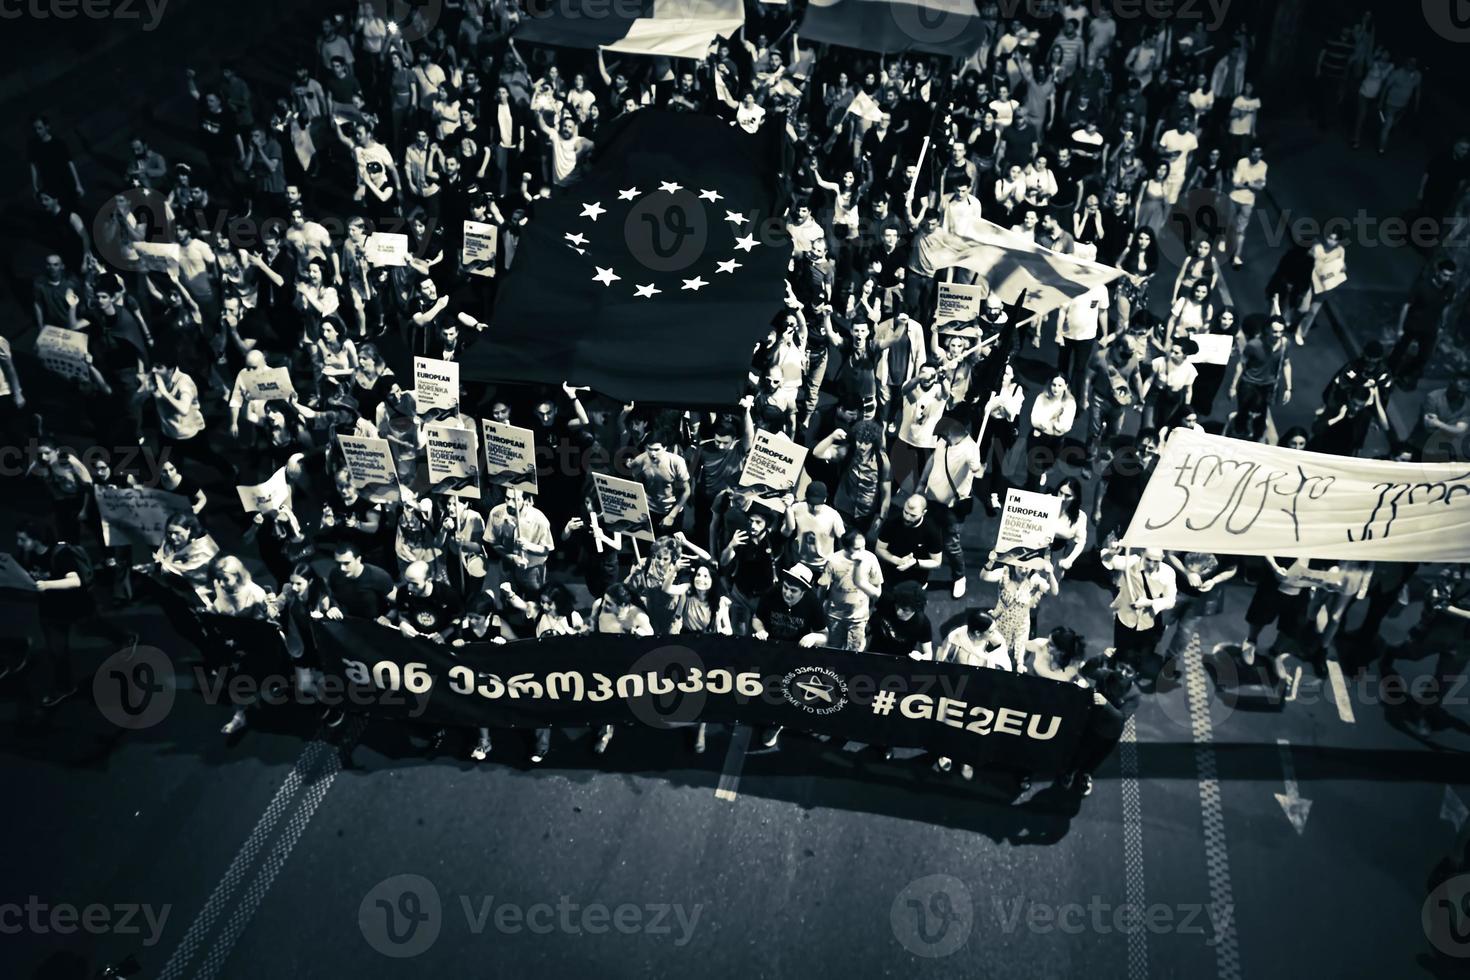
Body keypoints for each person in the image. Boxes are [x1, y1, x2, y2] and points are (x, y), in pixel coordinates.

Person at [17, 522, 135, 709]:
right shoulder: (26, 555)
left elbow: (75, 580)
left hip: (75, 607)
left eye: (23, 539)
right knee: (57, 651)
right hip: (50, 612)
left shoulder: (60, 554)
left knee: (93, 627)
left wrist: (46, 585)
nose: (19, 542)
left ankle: (124, 638)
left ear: (36, 539)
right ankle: (64, 687)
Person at [919, 418, 981, 598]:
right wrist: (922, 483)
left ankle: (959, 577)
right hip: (931, 500)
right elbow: (933, 459)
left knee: (951, 544)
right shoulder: (943, 442)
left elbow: (977, 471)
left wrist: (977, 467)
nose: (940, 437)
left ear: (952, 433)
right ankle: (922, 575)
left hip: (952, 508)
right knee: (927, 537)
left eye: (942, 434)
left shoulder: (971, 449)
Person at [1099, 544, 1177, 684]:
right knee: (1121, 649)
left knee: (1144, 652)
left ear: (1163, 558)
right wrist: (1110, 552)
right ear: (1142, 554)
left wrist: (1149, 603)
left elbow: (1171, 600)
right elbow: (1107, 561)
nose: (1151, 564)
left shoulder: (1168, 573)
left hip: (1149, 622)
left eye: (1156, 561)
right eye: (1148, 559)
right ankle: (1117, 676)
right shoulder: (1131, 562)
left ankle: (1134, 672)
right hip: (1126, 618)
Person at [823, 529, 884, 652]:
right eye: (857, 549)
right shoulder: (833, 560)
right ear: (846, 547)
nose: (862, 552)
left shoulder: (870, 559)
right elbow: (823, 587)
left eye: (863, 547)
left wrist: (871, 608)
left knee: (855, 652)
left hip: (858, 618)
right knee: (832, 650)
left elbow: (877, 587)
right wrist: (821, 607)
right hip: (835, 616)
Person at [874, 495, 943, 588]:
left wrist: (915, 563)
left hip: (916, 581)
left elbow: (937, 562)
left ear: (924, 512)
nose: (907, 518)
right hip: (890, 577)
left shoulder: (932, 530)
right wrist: (898, 561)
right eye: (905, 512)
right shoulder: (892, 521)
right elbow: (879, 549)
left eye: (913, 515)